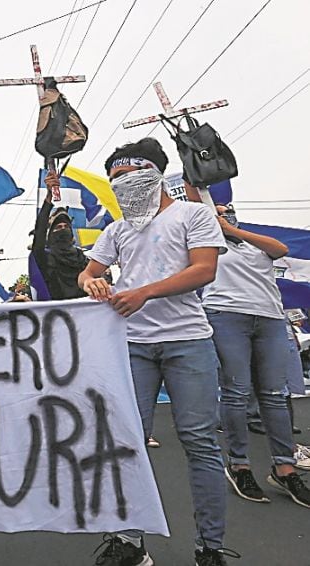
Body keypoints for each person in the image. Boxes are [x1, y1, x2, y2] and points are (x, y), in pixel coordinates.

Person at [79, 138, 233, 565]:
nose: (121, 186)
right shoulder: (117, 229)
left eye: (128, 177)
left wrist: (144, 292)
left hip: (188, 341)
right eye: (115, 180)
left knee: (200, 441)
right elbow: (89, 271)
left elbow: (204, 269)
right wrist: (92, 283)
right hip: (133, 346)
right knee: (127, 442)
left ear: (153, 173)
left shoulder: (193, 214)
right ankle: (129, 541)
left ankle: (211, 547)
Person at [201, 203, 310, 507]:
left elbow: (281, 248)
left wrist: (234, 230)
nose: (224, 212)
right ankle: (239, 465)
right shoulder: (208, 243)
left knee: (275, 393)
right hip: (226, 315)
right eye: (219, 210)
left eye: (228, 210)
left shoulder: (255, 245)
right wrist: (216, 227)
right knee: (236, 391)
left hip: (269, 319)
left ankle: (284, 467)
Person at [32, 171, 88, 300]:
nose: (63, 229)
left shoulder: (81, 257)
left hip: (85, 312)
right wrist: (49, 196)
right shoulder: (45, 257)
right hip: (58, 314)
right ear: (51, 234)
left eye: (66, 227)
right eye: (58, 227)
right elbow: (40, 231)